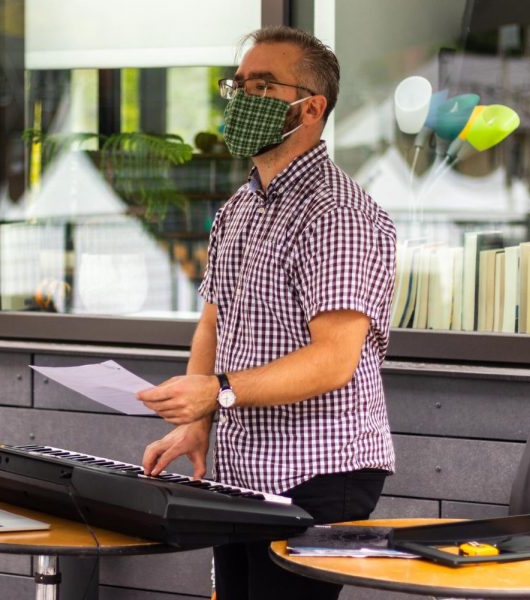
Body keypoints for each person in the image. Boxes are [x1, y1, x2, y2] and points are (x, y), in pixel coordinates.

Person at [136, 26, 397, 599]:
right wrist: (197, 420)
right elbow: (213, 321)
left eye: (262, 84)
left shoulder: (338, 215)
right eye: (239, 84)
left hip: (319, 471)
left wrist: (217, 392)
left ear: (311, 107)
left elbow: (333, 361)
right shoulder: (238, 208)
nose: (242, 98)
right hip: (241, 469)